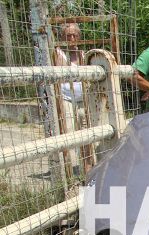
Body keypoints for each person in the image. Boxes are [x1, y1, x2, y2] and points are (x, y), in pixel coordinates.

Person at [54, 23, 94, 175]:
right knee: (69, 132)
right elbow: (57, 73)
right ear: (62, 37)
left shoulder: (82, 54)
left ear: (79, 37)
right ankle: (70, 171)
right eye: (67, 35)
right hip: (66, 98)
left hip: (82, 99)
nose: (71, 38)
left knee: (86, 132)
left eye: (74, 35)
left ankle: (87, 167)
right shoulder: (59, 54)